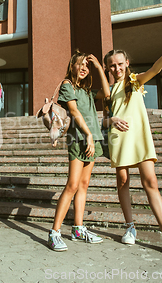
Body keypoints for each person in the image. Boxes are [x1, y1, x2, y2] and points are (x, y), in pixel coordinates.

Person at [103, 33, 162, 259]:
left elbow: (155, 70)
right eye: (112, 66)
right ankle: (130, 226)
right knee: (122, 181)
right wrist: (110, 120)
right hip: (119, 138)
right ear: (107, 68)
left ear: (127, 64)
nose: (116, 69)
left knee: (150, 181)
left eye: (120, 64)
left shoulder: (134, 81)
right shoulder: (107, 92)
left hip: (139, 137)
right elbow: (101, 120)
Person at [47, 51, 111, 251]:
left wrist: (100, 68)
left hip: (93, 140)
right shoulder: (68, 85)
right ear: (71, 66)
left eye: (87, 65)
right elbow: (73, 111)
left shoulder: (87, 89)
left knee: (83, 184)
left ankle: (78, 228)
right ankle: (55, 232)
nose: (84, 67)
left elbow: (107, 93)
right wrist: (88, 134)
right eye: (80, 64)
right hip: (79, 139)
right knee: (72, 185)